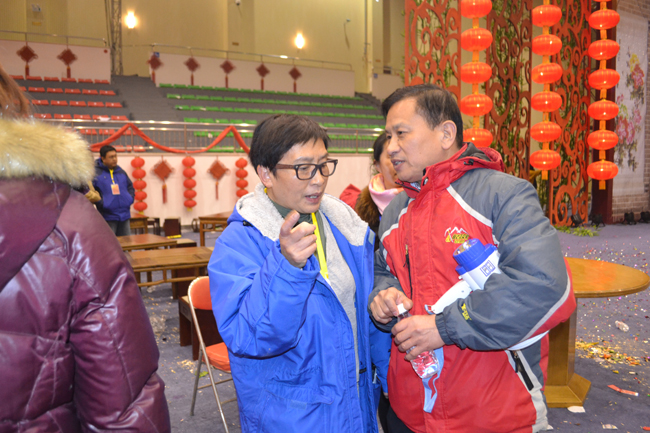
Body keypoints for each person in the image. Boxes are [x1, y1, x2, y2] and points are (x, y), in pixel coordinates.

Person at [369, 84, 576, 433]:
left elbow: (544, 286)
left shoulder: (503, 195)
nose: (390, 147)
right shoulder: (395, 212)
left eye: (401, 133)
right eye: (388, 136)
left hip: (493, 412)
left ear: (446, 133)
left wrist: (443, 327)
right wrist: (382, 297)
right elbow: (383, 270)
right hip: (410, 412)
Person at [0, 65, 171, 432]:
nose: (114, 161)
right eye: (110, 157)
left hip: (119, 217)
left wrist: (124, 201)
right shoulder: (69, 222)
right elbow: (119, 393)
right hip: (102, 223)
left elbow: (129, 191)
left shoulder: (116, 178)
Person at [208, 114, 391, 433]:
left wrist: (390, 379)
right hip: (293, 418)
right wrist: (287, 267)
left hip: (355, 405)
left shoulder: (345, 227)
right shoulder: (238, 243)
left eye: (323, 165)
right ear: (266, 173)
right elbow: (250, 338)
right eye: (303, 168)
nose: (318, 179)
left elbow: (366, 316)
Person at [340, 132, 403, 431]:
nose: (396, 160)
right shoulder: (359, 211)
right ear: (377, 163)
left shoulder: (418, 201)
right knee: (387, 407)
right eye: (389, 156)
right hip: (376, 317)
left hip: (414, 317)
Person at [93, 144, 135, 236]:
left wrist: (129, 199)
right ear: (103, 158)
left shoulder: (121, 172)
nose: (114, 159)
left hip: (124, 215)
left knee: (127, 243)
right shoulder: (96, 173)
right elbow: (91, 192)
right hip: (107, 216)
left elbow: (130, 187)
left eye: (115, 156)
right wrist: (102, 203)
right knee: (110, 244)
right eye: (111, 157)